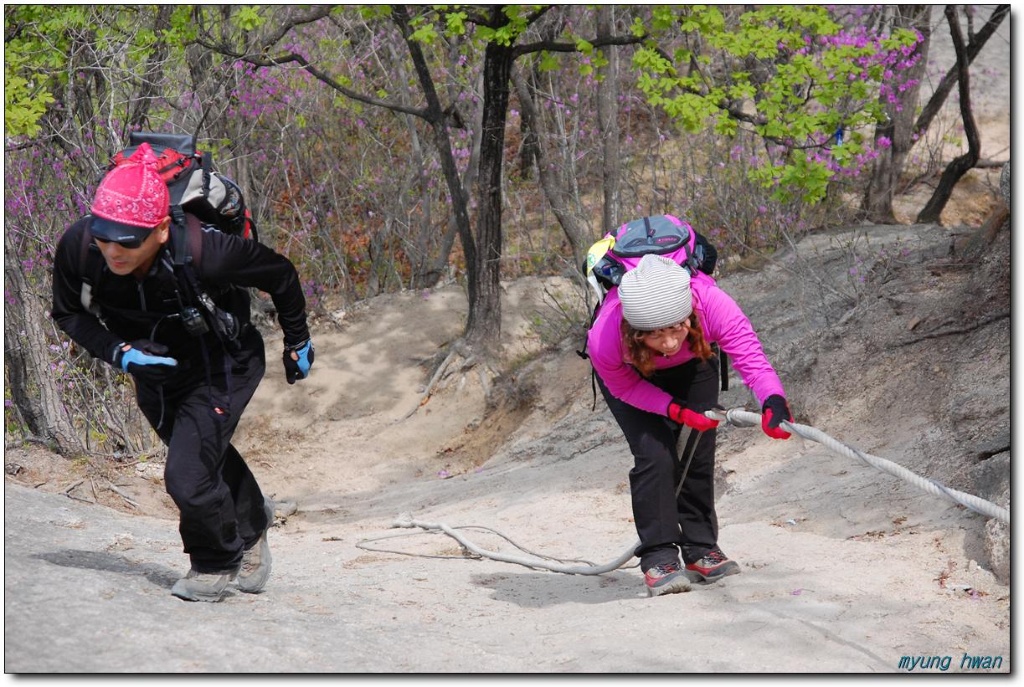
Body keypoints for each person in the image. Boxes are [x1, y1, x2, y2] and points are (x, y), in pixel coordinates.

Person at [50, 143, 315, 603]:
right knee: (200, 455)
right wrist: (119, 352)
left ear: (159, 230)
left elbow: (281, 274)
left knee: (186, 475)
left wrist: (298, 340)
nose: (112, 249)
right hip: (153, 368)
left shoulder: (206, 251)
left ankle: (215, 563)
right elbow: (69, 314)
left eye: (128, 239)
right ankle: (252, 526)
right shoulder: (80, 245)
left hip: (222, 362)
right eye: (103, 235)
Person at [586, 251, 793, 597]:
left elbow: (751, 359)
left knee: (698, 449)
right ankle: (659, 556)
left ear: (690, 315)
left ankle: (700, 548)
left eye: (675, 328)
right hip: (635, 377)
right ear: (635, 332)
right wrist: (675, 411)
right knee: (655, 454)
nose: (668, 343)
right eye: (654, 335)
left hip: (695, 360)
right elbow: (623, 386)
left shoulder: (712, 304)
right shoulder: (606, 335)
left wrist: (774, 402)